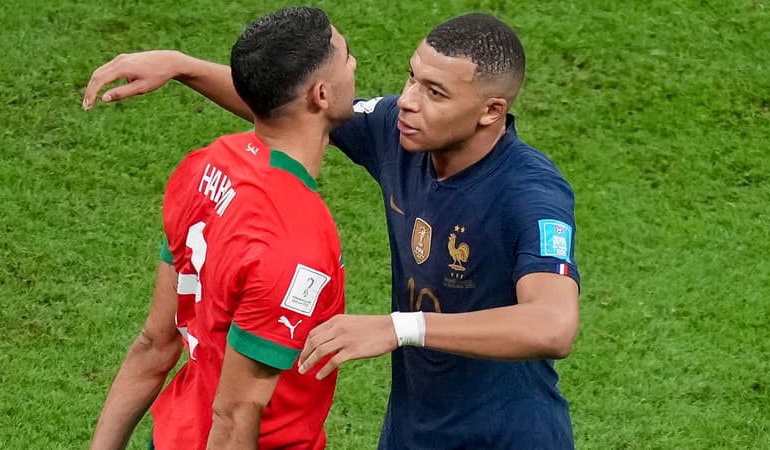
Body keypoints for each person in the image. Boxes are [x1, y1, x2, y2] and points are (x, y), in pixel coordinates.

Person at [83, 12, 580, 450]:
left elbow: (552, 325)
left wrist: (397, 327)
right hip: (413, 429)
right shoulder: (403, 134)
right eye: (412, 77)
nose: (406, 101)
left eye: (434, 93)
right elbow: (295, 107)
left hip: (506, 435)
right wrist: (183, 66)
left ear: (491, 111)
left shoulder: (530, 194)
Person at [87, 6, 356, 450]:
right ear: (322, 95)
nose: (355, 65)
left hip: (174, 436)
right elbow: (233, 418)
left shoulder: (206, 166)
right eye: (347, 57)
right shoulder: (299, 243)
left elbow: (155, 344)